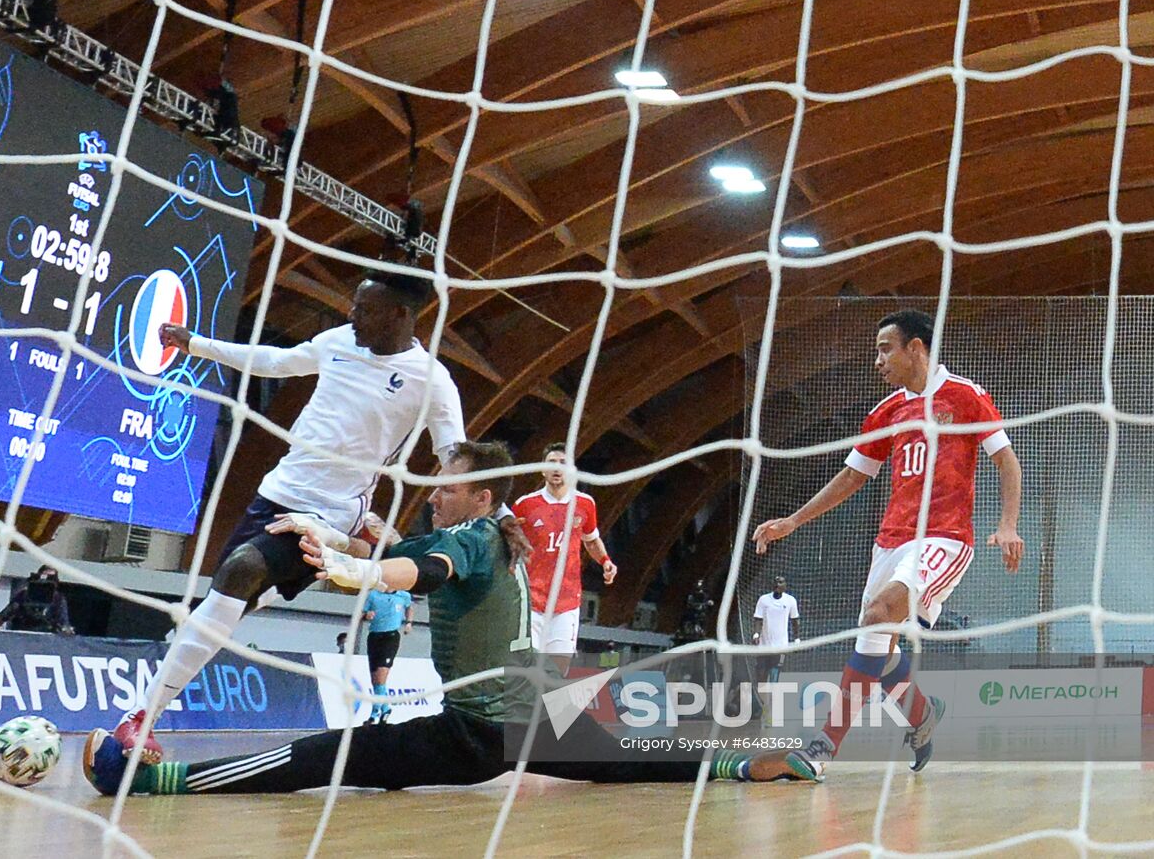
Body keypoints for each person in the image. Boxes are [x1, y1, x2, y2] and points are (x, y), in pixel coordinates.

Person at [84, 441, 808, 796]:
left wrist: (358, 570)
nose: (433, 492)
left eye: (446, 483)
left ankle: (155, 783)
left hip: (479, 728)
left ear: (482, 493)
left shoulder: (471, 538)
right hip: (535, 707)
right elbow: (403, 549)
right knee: (619, 757)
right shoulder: (487, 535)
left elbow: (414, 571)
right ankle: (745, 764)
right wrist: (340, 537)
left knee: (334, 756)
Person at [113, 269, 466, 762]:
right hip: (273, 496)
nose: (352, 315)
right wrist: (196, 345)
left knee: (240, 572)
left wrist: (486, 506)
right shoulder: (339, 342)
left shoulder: (431, 380)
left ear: (401, 315)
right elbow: (276, 361)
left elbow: (455, 453)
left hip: (329, 516)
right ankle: (149, 707)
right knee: (226, 604)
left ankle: (139, 719)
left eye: (365, 309)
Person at [750, 309, 1023, 777]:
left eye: (884, 349)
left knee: (878, 618)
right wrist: (793, 521)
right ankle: (922, 715)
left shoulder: (967, 396)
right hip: (890, 543)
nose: (877, 360)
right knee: (880, 645)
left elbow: (1008, 463)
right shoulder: (887, 411)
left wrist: (1009, 524)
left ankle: (820, 751)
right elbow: (854, 475)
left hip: (945, 538)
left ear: (915, 348)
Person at [512, 443, 616, 672]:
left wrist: (605, 561)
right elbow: (508, 540)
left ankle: (549, 707)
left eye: (563, 463)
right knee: (527, 668)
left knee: (558, 671)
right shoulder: (525, 505)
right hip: (531, 600)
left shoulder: (585, 504)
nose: (557, 468)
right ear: (542, 469)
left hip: (567, 602)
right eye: (551, 463)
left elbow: (590, 539)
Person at [362, 587, 414, 723]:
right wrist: (367, 615)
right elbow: (362, 613)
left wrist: (408, 623)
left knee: (380, 676)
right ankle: (386, 708)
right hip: (374, 636)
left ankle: (374, 714)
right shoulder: (373, 595)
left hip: (390, 637)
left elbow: (409, 607)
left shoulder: (403, 595)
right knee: (375, 680)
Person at [751, 576, 800, 719]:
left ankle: (770, 712)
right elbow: (758, 619)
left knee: (774, 679)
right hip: (763, 647)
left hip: (780, 647)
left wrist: (796, 639)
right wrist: (756, 634)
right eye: (775, 582)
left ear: (785, 585)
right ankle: (765, 705)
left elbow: (795, 621)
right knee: (760, 678)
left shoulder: (790, 601)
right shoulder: (763, 600)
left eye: (780, 582)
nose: (777, 584)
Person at [0, 565, 73, 635]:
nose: (45, 583)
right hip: (22, 636)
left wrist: (66, 630)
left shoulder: (58, 599)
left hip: (46, 638)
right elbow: (3, 616)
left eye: (50, 579)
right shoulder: (23, 595)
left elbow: (64, 622)